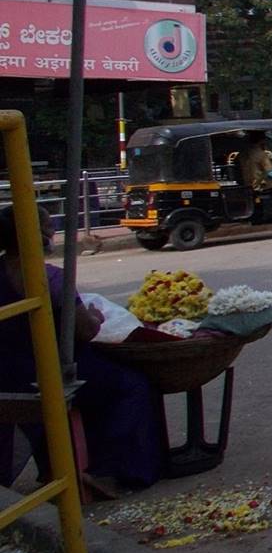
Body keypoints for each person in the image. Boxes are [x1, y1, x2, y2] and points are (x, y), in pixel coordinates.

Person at [0, 206, 165, 494]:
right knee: (132, 384)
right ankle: (110, 472)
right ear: (37, 236)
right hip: (45, 372)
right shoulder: (46, 277)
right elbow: (85, 330)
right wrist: (94, 316)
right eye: (49, 229)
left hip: (9, 371)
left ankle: (60, 466)